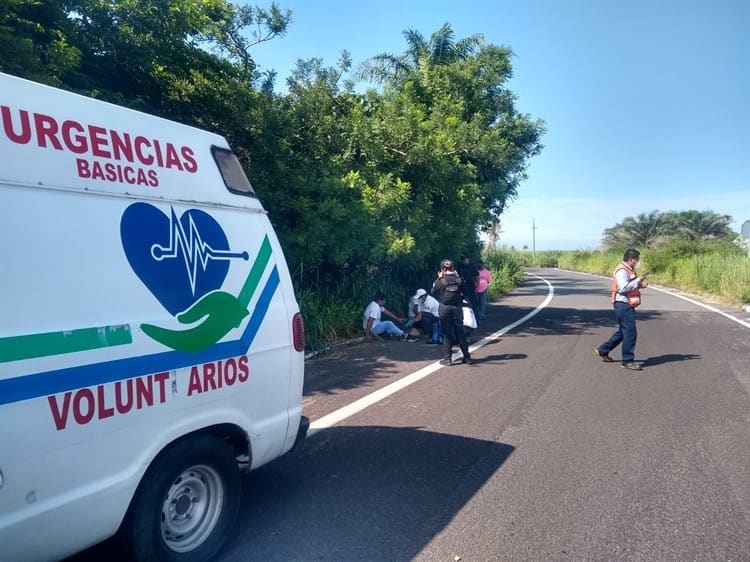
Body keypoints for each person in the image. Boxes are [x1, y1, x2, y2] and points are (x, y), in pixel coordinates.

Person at [595, 248, 649, 371]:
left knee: (623, 331)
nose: (638, 262)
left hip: (627, 304)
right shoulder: (621, 271)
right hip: (622, 304)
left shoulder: (629, 270)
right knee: (630, 333)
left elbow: (630, 285)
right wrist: (638, 280)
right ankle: (627, 361)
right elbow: (623, 288)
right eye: (637, 260)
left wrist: (640, 285)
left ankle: (603, 350)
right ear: (631, 259)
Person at [431, 260, 471, 366]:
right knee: (460, 333)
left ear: (442, 269)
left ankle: (448, 359)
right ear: (453, 268)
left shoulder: (439, 281)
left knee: (447, 334)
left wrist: (439, 278)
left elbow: (433, 292)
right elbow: (466, 293)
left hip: (444, 308)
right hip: (457, 308)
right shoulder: (459, 280)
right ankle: (467, 357)